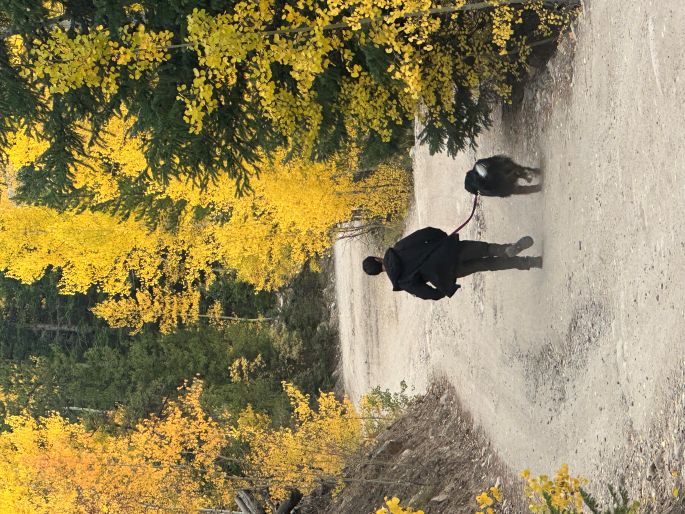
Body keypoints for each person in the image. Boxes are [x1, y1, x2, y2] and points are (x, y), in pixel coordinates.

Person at [362, 227, 541, 300]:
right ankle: (507, 249)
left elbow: (426, 294)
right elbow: (425, 233)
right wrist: (442, 238)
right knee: (486, 249)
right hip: (449, 250)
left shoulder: (401, 282)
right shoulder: (398, 248)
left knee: (488, 265)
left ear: (379, 272)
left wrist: (442, 287)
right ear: (377, 258)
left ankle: (530, 262)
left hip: (451, 271)